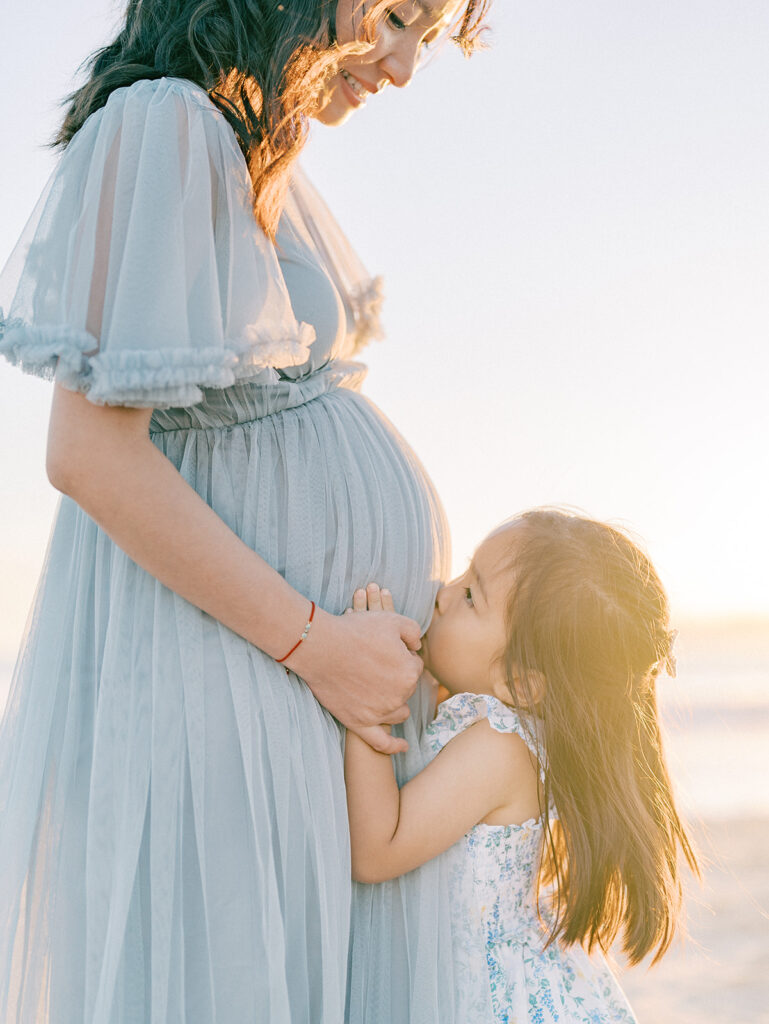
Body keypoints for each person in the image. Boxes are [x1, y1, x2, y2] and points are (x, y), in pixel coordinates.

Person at [0, 1, 490, 1020]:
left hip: (283, 696)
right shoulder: (165, 123)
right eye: (396, 17)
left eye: (423, 42)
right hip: (230, 686)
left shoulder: (254, 153)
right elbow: (88, 454)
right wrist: (319, 646)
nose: (400, 67)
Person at [344, 508, 700, 1023]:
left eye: (471, 596)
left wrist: (368, 695)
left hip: (484, 998)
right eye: (466, 571)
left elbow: (378, 851)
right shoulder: (505, 725)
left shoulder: (499, 746)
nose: (443, 593)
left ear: (522, 683)